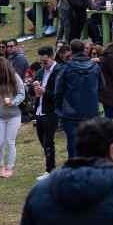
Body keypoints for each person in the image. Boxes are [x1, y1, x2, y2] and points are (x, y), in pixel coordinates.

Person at [53, 39, 101, 159]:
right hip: (91, 111)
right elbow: (102, 86)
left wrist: (59, 109)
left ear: (71, 50)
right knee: (91, 144)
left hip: (71, 113)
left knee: (74, 144)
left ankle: (76, 171)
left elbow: (58, 92)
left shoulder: (65, 68)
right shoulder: (94, 66)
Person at [0, 56, 26, 178]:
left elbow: (22, 93)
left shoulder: (14, 77)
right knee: (0, 143)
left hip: (14, 116)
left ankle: (10, 168)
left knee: (10, 142)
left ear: (2, 68)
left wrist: (13, 102)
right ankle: (1, 166)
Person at [32, 46, 62, 180]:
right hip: (39, 110)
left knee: (48, 141)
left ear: (52, 57)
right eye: (41, 62)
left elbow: (60, 94)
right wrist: (33, 87)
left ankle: (50, 170)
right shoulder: (40, 72)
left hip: (52, 111)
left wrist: (44, 92)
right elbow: (33, 91)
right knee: (43, 141)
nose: (43, 64)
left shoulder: (59, 71)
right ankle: (51, 167)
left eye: (45, 61)